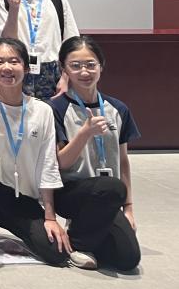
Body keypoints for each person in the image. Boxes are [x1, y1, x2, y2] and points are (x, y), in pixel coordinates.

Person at [0, 38, 72, 275]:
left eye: (14, 61)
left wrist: (50, 216)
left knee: (57, 254)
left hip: (23, 199)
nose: (7, 67)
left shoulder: (43, 110)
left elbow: (48, 163)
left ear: (26, 68)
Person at [49, 36, 141, 271]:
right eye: (75, 66)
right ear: (64, 69)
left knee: (128, 259)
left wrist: (128, 208)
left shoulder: (118, 109)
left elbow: (123, 161)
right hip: (71, 192)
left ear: (101, 66)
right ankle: (78, 243)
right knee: (111, 187)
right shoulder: (55, 108)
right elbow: (60, 164)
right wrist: (84, 134)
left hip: (108, 196)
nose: (84, 72)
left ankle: (90, 232)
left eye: (91, 65)